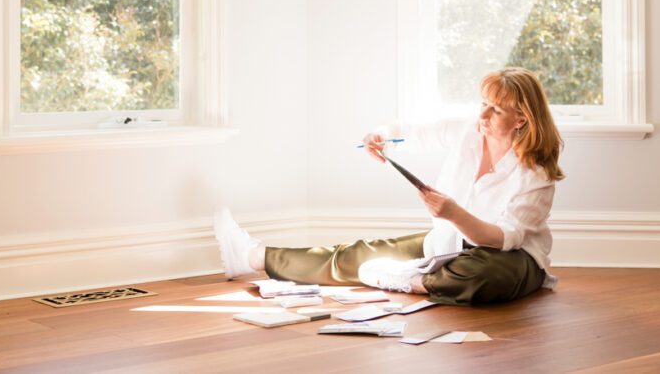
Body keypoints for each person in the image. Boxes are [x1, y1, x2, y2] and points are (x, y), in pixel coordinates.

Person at [214, 67, 565, 306]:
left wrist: (454, 213)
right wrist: (382, 136)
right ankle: (251, 256)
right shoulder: (470, 130)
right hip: (450, 245)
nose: (484, 116)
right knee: (361, 254)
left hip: (511, 259)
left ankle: (408, 282)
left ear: (522, 118)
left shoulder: (536, 173)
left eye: (496, 110)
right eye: (483, 105)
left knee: (483, 275)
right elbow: (419, 133)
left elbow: (503, 239)